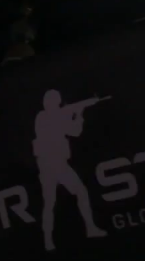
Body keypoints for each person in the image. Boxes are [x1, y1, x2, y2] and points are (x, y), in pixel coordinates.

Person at [33, 89, 109, 251]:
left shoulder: (52, 116)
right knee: (50, 202)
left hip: (57, 164)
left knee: (79, 193)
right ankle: (47, 240)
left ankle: (89, 228)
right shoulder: (43, 117)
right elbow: (72, 130)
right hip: (50, 165)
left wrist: (78, 114)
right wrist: (74, 113)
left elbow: (75, 131)